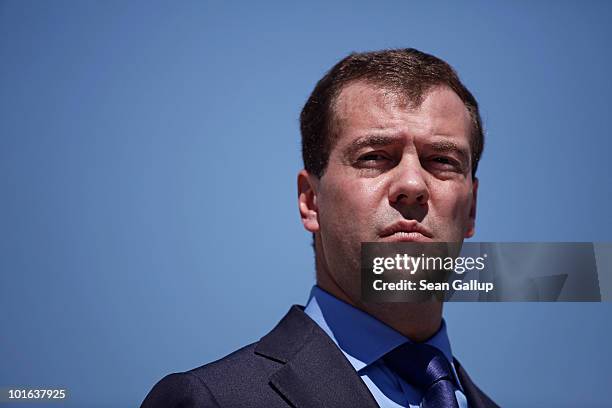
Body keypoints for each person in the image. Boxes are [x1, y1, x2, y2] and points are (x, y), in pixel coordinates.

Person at [141, 48, 498, 408]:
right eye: (374, 157)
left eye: (441, 160)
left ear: (471, 209)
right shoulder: (208, 400)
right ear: (311, 200)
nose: (412, 185)